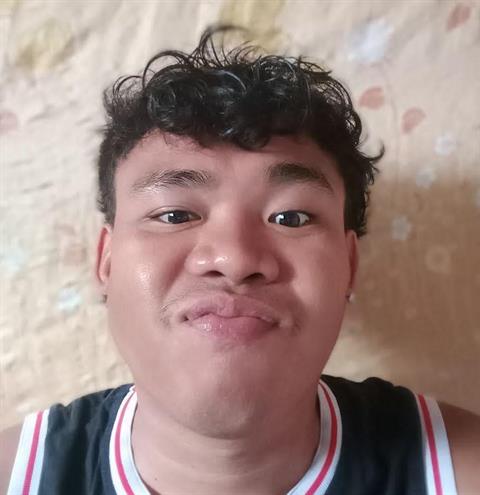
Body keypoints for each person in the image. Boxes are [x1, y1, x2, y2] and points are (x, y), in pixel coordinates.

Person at [1, 25, 478, 495]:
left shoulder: (458, 471)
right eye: (174, 215)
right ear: (107, 261)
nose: (234, 259)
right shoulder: (18, 476)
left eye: (291, 217)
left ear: (349, 266)